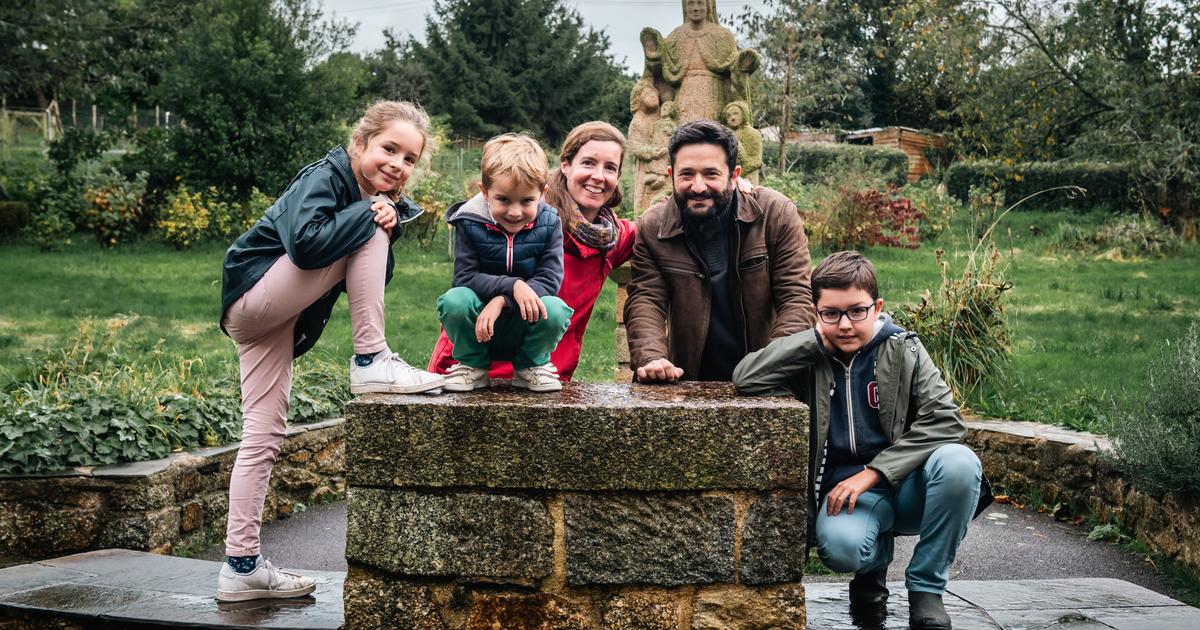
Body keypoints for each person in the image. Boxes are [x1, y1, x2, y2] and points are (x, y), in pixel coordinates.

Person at [217, 101, 445, 601]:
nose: (397, 164)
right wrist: (370, 215)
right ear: (360, 143)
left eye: (409, 159)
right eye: (389, 148)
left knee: (264, 435)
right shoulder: (326, 176)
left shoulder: (374, 201)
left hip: (271, 321)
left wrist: (383, 220)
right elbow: (305, 245)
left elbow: (370, 278)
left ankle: (241, 567)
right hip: (256, 293)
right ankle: (371, 359)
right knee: (371, 221)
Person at [732, 251, 992, 630]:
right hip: (848, 494)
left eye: (857, 311)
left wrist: (874, 472)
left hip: (907, 485)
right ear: (816, 311)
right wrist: (813, 342)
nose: (845, 324)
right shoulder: (809, 354)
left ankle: (926, 589)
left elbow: (946, 421)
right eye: (831, 313)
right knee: (841, 550)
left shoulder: (905, 349)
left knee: (959, 463)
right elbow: (746, 378)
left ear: (877, 307)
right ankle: (872, 568)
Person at [429, 121, 637, 382]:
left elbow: (656, 227)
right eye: (588, 163)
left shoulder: (609, 237)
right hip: (466, 369)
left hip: (540, 374)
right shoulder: (523, 216)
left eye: (610, 168)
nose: (598, 175)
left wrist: (503, 298)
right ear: (565, 165)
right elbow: (465, 278)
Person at [624, 119, 814, 382]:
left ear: (734, 175)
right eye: (686, 174)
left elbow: (796, 297)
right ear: (671, 175)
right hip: (687, 377)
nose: (698, 186)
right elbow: (646, 299)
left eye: (711, 174)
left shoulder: (775, 214)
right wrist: (651, 356)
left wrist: (772, 363)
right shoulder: (654, 226)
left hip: (767, 373)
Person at [435, 133, 573, 392]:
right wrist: (512, 286)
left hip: (524, 322)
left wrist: (504, 297)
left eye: (527, 201)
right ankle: (472, 365)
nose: (514, 211)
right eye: (503, 199)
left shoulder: (550, 222)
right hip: (479, 324)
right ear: (484, 191)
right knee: (455, 300)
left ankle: (530, 366)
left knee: (554, 308)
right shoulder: (469, 221)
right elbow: (465, 277)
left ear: (542, 194)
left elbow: (550, 279)